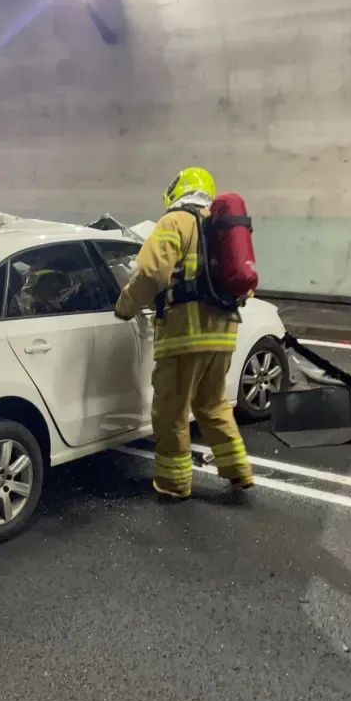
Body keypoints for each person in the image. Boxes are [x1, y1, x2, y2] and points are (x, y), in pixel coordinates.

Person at [114, 167, 254, 499]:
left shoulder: (174, 222)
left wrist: (125, 306)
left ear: (178, 190)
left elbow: (151, 272)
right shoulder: (219, 226)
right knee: (214, 404)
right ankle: (239, 471)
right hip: (222, 333)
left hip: (183, 336)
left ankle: (174, 483)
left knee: (171, 412)